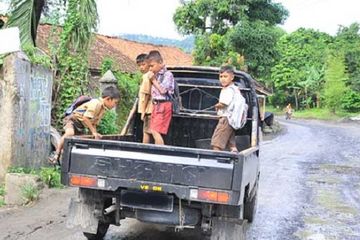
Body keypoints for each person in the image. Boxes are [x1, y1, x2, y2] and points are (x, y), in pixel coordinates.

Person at [48, 86, 120, 164]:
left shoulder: (102, 109)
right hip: (72, 120)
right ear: (108, 99)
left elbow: (93, 123)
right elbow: (85, 118)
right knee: (70, 133)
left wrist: (95, 134)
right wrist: (93, 132)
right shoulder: (96, 103)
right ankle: (56, 153)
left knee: (81, 143)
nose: (114, 105)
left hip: (80, 126)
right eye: (115, 102)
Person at [211, 65, 245, 152]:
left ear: (232, 77)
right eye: (221, 76)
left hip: (225, 119)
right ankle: (234, 153)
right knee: (231, 143)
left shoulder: (228, 90)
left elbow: (224, 103)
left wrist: (216, 106)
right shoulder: (235, 89)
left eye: (225, 76)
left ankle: (215, 160)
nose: (223, 79)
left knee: (216, 143)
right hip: (231, 120)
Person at [146, 50, 174, 145]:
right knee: (153, 130)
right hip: (156, 105)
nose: (150, 69)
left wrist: (153, 80)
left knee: (155, 131)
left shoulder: (167, 75)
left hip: (163, 105)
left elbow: (163, 91)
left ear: (160, 62)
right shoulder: (156, 75)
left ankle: (159, 152)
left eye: (152, 66)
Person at [136, 53, 153, 143]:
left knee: (146, 131)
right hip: (149, 109)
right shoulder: (150, 75)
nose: (141, 67)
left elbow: (146, 94)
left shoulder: (147, 76)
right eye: (139, 65)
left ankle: (144, 149)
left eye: (143, 64)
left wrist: (143, 111)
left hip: (148, 109)